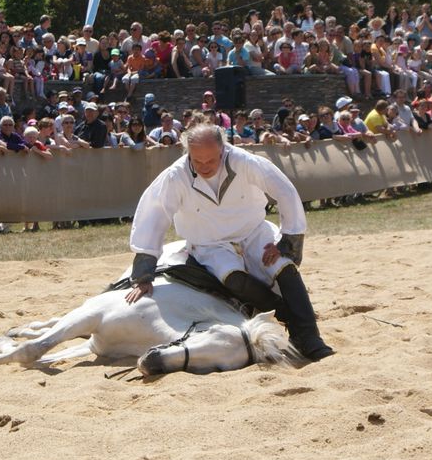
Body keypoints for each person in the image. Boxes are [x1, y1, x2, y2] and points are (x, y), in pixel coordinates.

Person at [126, 124, 333, 361]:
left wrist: (288, 240)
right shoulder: (175, 176)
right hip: (208, 243)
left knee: (284, 268)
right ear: (187, 153)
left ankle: (310, 338)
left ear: (222, 150)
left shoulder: (244, 161)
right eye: (197, 161)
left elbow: (284, 189)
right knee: (232, 277)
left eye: (210, 160)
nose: (204, 167)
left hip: (254, 232)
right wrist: (144, 273)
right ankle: (286, 313)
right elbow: (153, 216)